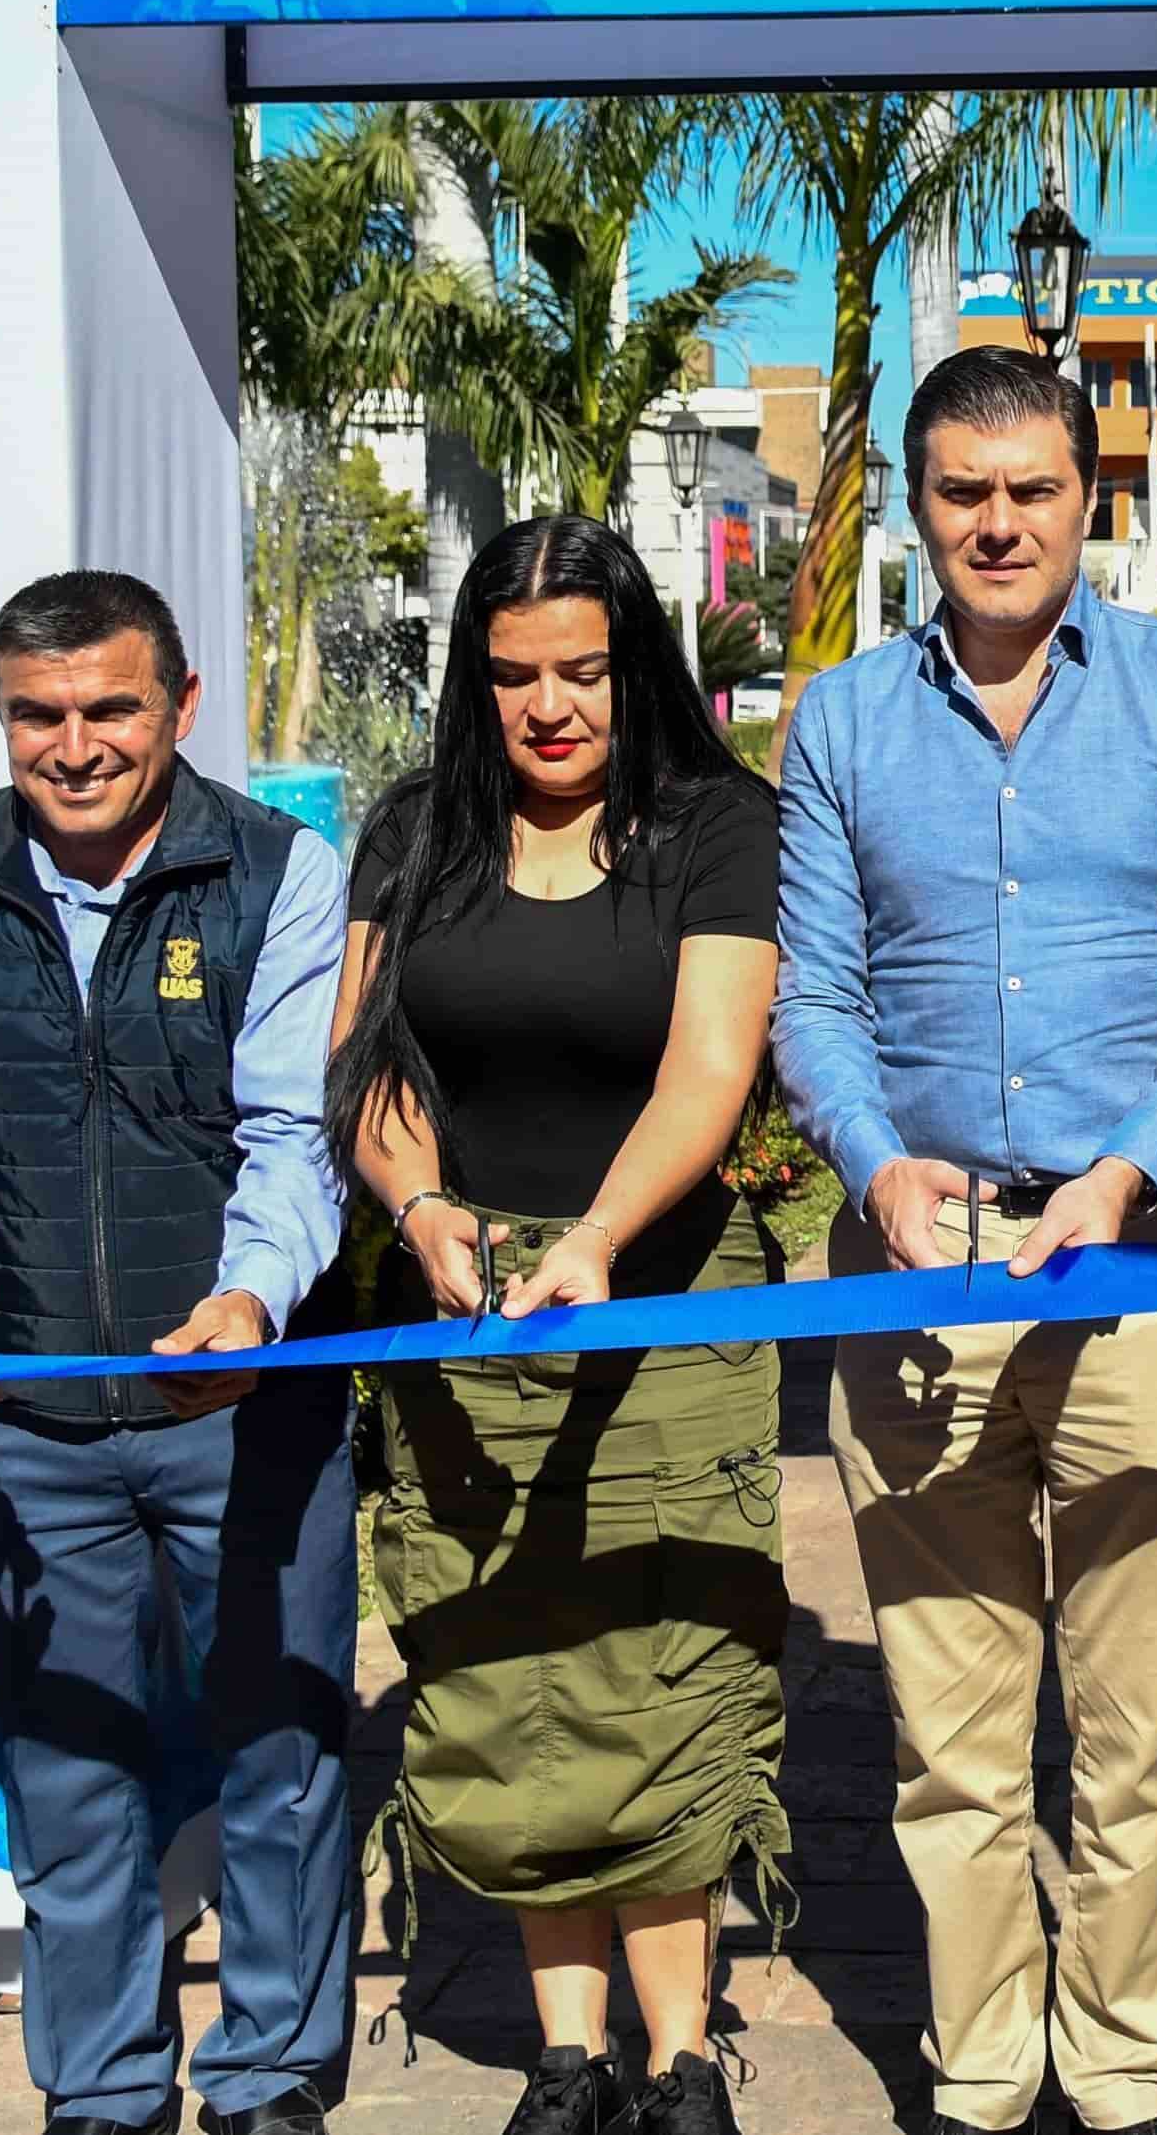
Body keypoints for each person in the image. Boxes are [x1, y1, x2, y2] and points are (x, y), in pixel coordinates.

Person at [773, 344, 1157, 2135]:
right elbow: (816, 993)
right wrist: (872, 1155)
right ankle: (986, 2074)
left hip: (1139, 1255)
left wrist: (1135, 1166)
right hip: (919, 1260)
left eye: (1031, 489)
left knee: (1136, 1726)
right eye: (962, 492)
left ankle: (1126, 2069)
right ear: (921, 509)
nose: (997, 522)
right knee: (952, 1732)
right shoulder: (843, 718)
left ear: (1095, 500)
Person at [0, 570, 356, 2135]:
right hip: (27, 1407)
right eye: (38, 715)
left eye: (110, 708)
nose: (74, 746)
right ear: (2, 717)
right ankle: (104, 2088)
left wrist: (253, 1300)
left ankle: (268, 2080)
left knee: (282, 1755)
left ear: (181, 708)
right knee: (68, 1776)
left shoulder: (279, 870)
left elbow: (292, 1126)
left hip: (244, 1401)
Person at [329, 518, 786, 2135]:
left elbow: (712, 1066)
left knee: (661, 1669)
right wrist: (421, 1203)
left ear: (634, 661)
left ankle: (683, 2050)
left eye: (582, 670)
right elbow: (369, 1062)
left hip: (660, 1297)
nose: (549, 706)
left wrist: (596, 1231)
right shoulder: (415, 831)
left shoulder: (719, 826)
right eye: (514, 675)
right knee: (504, 1667)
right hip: (461, 1311)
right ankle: (569, 2049)